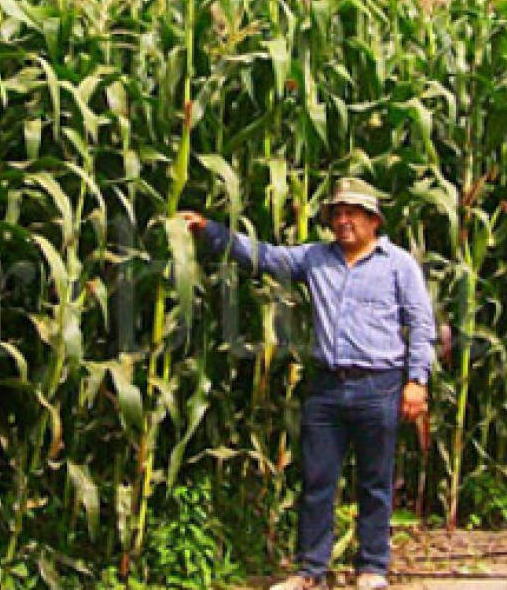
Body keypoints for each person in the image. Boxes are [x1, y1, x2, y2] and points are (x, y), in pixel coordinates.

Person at [181, 176, 434, 590]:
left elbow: (420, 324)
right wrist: (211, 231)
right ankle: (310, 571)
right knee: (317, 479)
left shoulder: (398, 264)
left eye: (352, 212)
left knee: (375, 481)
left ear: (373, 220)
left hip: (380, 385)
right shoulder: (315, 258)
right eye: (337, 213)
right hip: (327, 388)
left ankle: (372, 567)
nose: (343, 220)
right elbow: (264, 257)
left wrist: (417, 381)